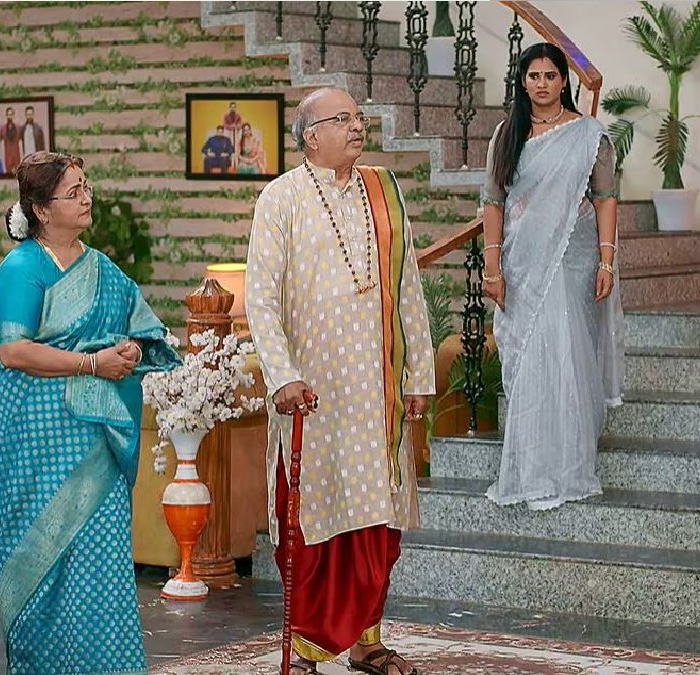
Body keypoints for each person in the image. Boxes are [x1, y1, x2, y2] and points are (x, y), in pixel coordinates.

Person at [245, 87, 434, 675]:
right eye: (344, 118)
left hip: (377, 391)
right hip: (313, 394)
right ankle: (306, 644)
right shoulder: (280, 198)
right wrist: (283, 376)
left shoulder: (384, 191)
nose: (358, 126)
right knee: (313, 518)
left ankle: (368, 641)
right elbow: (260, 297)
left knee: (378, 521)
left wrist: (418, 373)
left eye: (359, 117)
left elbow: (408, 288)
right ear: (311, 136)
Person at [0, 152, 180, 673]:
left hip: (94, 437)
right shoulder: (20, 269)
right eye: (73, 193)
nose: (86, 197)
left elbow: (143, 329)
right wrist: (93, 363)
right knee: (42, 561)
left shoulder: (102, 269)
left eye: (86, 186)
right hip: (32, 437)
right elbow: (14, 352)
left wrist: (131, 351)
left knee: (102, 554)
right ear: (41, 210)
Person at [480, 42, 624, 512]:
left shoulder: (587, 136)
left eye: (550, 76)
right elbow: (493, 202)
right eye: (533, 76)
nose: (542, 84)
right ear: (522, 82)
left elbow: (605, 199)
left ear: (565, 81)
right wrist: (493, 266)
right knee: (528, 361)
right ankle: (530, 468)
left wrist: (606, 261)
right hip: (521, 260)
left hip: (570, 259)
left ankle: (568, 467)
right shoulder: (507, 134)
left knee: (565, 354)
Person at [2, 107, 22, 175]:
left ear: (13, 115)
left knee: (17, 175)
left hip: (16, 156)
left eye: (11, 114)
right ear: (6, 115)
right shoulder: (3, 129)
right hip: (8, 156)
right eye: (8, 114)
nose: (10, 116)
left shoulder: (18, 128)